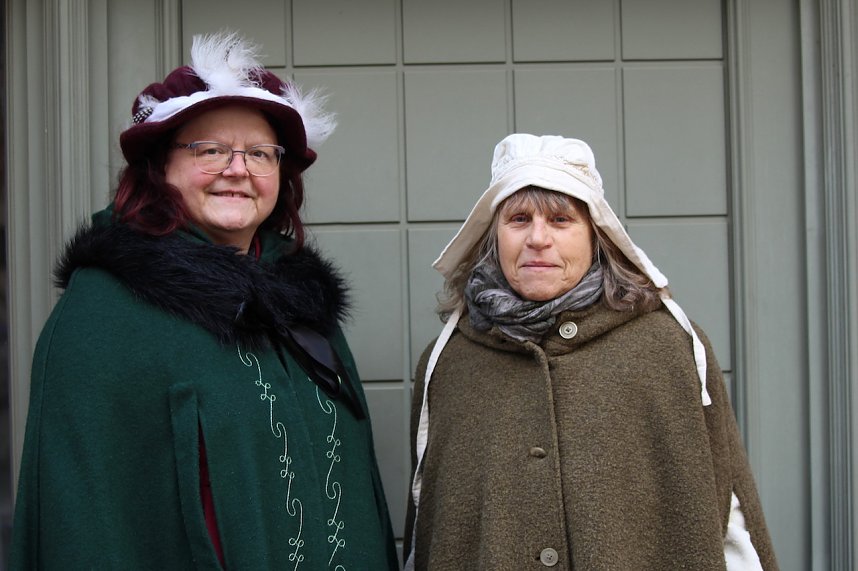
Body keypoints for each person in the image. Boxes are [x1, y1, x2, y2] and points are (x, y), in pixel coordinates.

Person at [10, 32, 398, 570]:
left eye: (260, 154)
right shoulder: (103, 317)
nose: (237, 170)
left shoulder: (301, 309)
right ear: (159, 169)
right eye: (210, 150)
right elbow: (83, 524)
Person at [404, 134, 778, 570]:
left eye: (561, 220)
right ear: (494, 237)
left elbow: (731, 512)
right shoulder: (449, 362)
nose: (538, 238)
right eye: (519, 219)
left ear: (596, 236)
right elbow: (427, 527)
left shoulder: (669, 349)